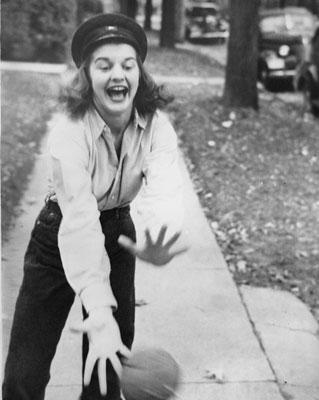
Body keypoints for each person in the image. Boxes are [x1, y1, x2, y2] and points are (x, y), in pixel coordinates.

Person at [2, 12, 186, 400]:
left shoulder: (156, 126)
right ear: (87, 76)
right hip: (59, 235)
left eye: (127, 64)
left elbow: (165, 186)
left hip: (119, 236)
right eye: (104, 66)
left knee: (107, 370)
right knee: (24, 374)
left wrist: (157, 229)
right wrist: (98, 309)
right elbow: (80, 222)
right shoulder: (70, 131)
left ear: (140, 72)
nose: (117, 75)